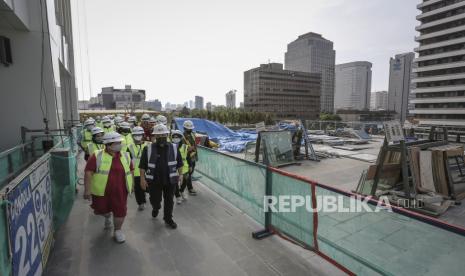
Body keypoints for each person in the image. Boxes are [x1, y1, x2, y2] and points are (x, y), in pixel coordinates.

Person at [83, 132, 134, 243]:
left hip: (120, 191)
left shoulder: (125, 155)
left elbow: (131, 170)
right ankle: (107, 216)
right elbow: (88, 172)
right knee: (100, 210)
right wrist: (87, 190)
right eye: (117, 143)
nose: (119, 145)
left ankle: (118, 230)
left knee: (120, 211)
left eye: (119, 142)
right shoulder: (97, 155)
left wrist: (132, 185)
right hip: (101, 191)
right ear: (108, 144)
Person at [139, 124, 183, 229]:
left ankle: (168, 219)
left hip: (170, 180)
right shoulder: (148, 149)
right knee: (155, 200)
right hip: (154, 181)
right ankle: (156, 207)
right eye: (158, 135)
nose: (161, 137)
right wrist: (142, 179)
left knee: (169, 200)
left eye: (163, 134)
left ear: (167, 134)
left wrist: (180, 174)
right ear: (154, 136)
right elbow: (142, 166)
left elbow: (179, 163)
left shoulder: (174, 148)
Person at [128, 127, 149, 210]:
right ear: (132, 136)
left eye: (139, 134)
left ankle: (145, 195)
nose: (137, 136)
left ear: (143, 135)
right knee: (138, 190)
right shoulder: (129, 147)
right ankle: (141, 203)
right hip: (135, 172)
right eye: (135, 135)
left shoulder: (149, 144)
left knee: (148, 187)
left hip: (148, 171)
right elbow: (127, 160)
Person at [171, 130, 190, 204]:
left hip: (184, 167)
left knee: (185, 181)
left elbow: (188, 157)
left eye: (177, 137)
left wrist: (190, 165)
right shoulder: (170, 146)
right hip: (173, 167)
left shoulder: (185, 147)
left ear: (181, 138)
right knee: (175, 183)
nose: (176, 138)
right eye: (174, 137)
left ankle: (181, 191)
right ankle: (178, 196)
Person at [182, 120, 198, 195]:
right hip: (187, 158)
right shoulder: (182, 137)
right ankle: (189, 188)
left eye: (191, 128)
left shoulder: (192, 135)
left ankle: (183, 186)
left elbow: (195, 145)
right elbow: (181, 148)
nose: (190, 130)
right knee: (187, 173)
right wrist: (188, 149)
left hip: (193, 157)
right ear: (185, 128)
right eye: (188, 128)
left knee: (190, 173)